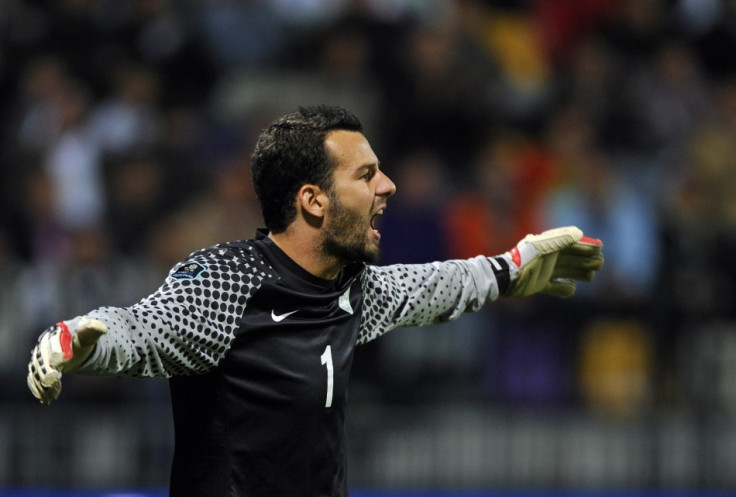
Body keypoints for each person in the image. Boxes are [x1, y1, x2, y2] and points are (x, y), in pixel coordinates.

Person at [27, 105, 604, 497]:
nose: (388, 187)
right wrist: (78, 340)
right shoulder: (229, 283)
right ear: (314, 201)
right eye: (367, 175)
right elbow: (145, 328)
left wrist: (509, 269)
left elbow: (429, 287)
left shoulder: (351, 286)